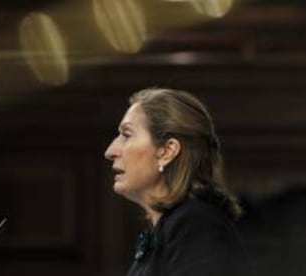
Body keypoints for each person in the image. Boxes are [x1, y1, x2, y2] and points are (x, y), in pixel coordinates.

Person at [104, 87, 250, 276]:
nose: (110, 151)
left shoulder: (196, 224)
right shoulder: (175, 226)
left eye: (126, 135)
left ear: (167, 151)